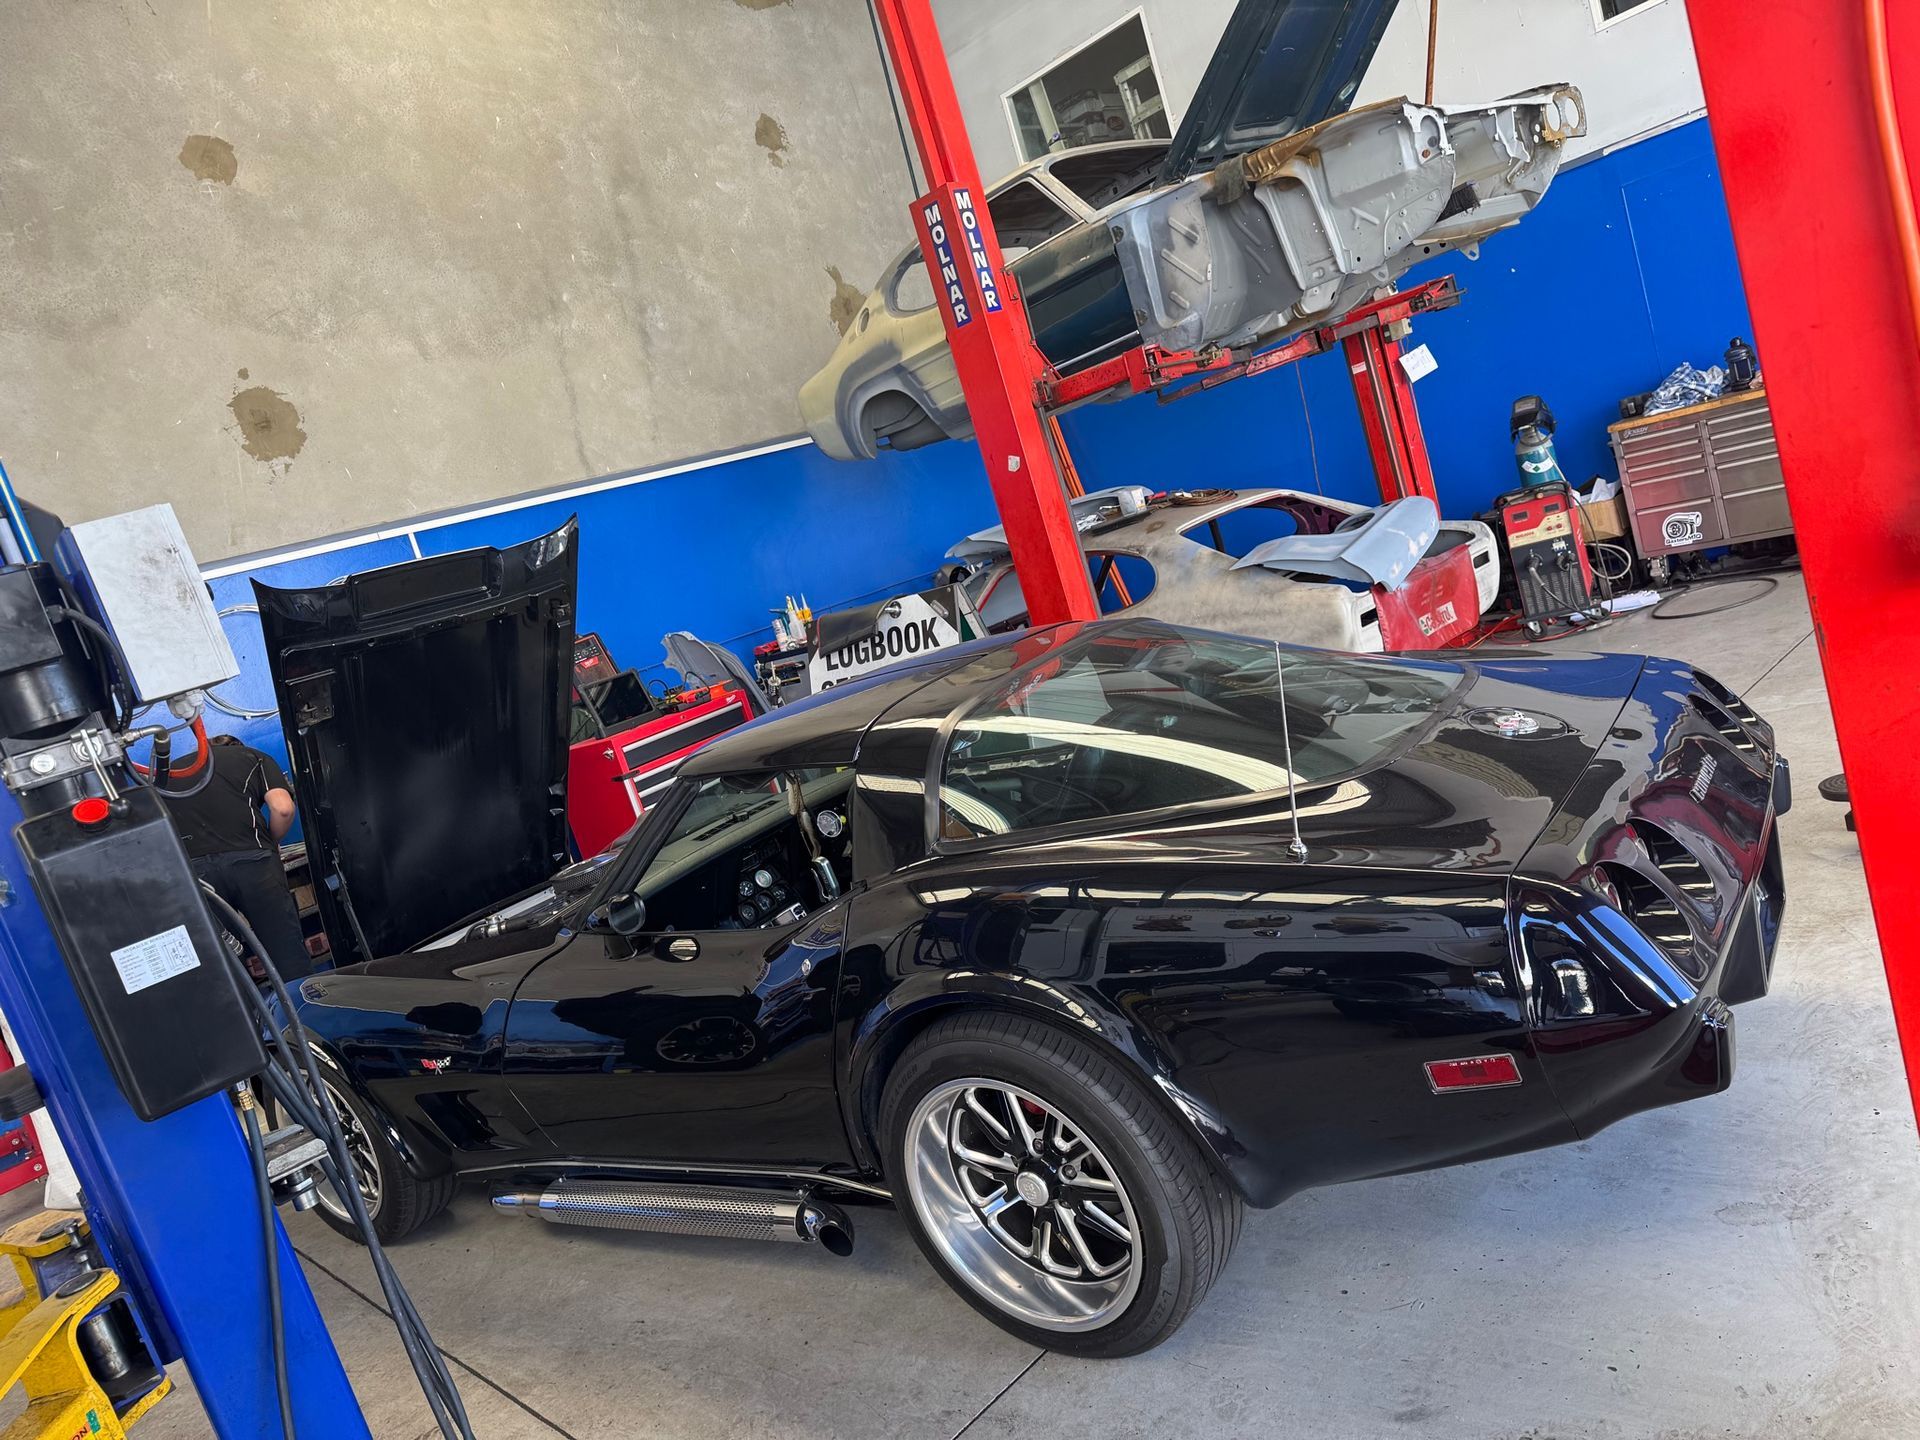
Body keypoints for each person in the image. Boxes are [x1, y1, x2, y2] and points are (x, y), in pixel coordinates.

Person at [163, 733, 311, 981]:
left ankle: (249, 1006)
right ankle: (303, 1003)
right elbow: (283, 808)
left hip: (196, 875)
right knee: (286, 951)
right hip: (254, 862)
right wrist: (272, 842)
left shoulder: (171, 772)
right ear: (237, 746)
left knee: (226, 961)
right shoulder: (254, 757)